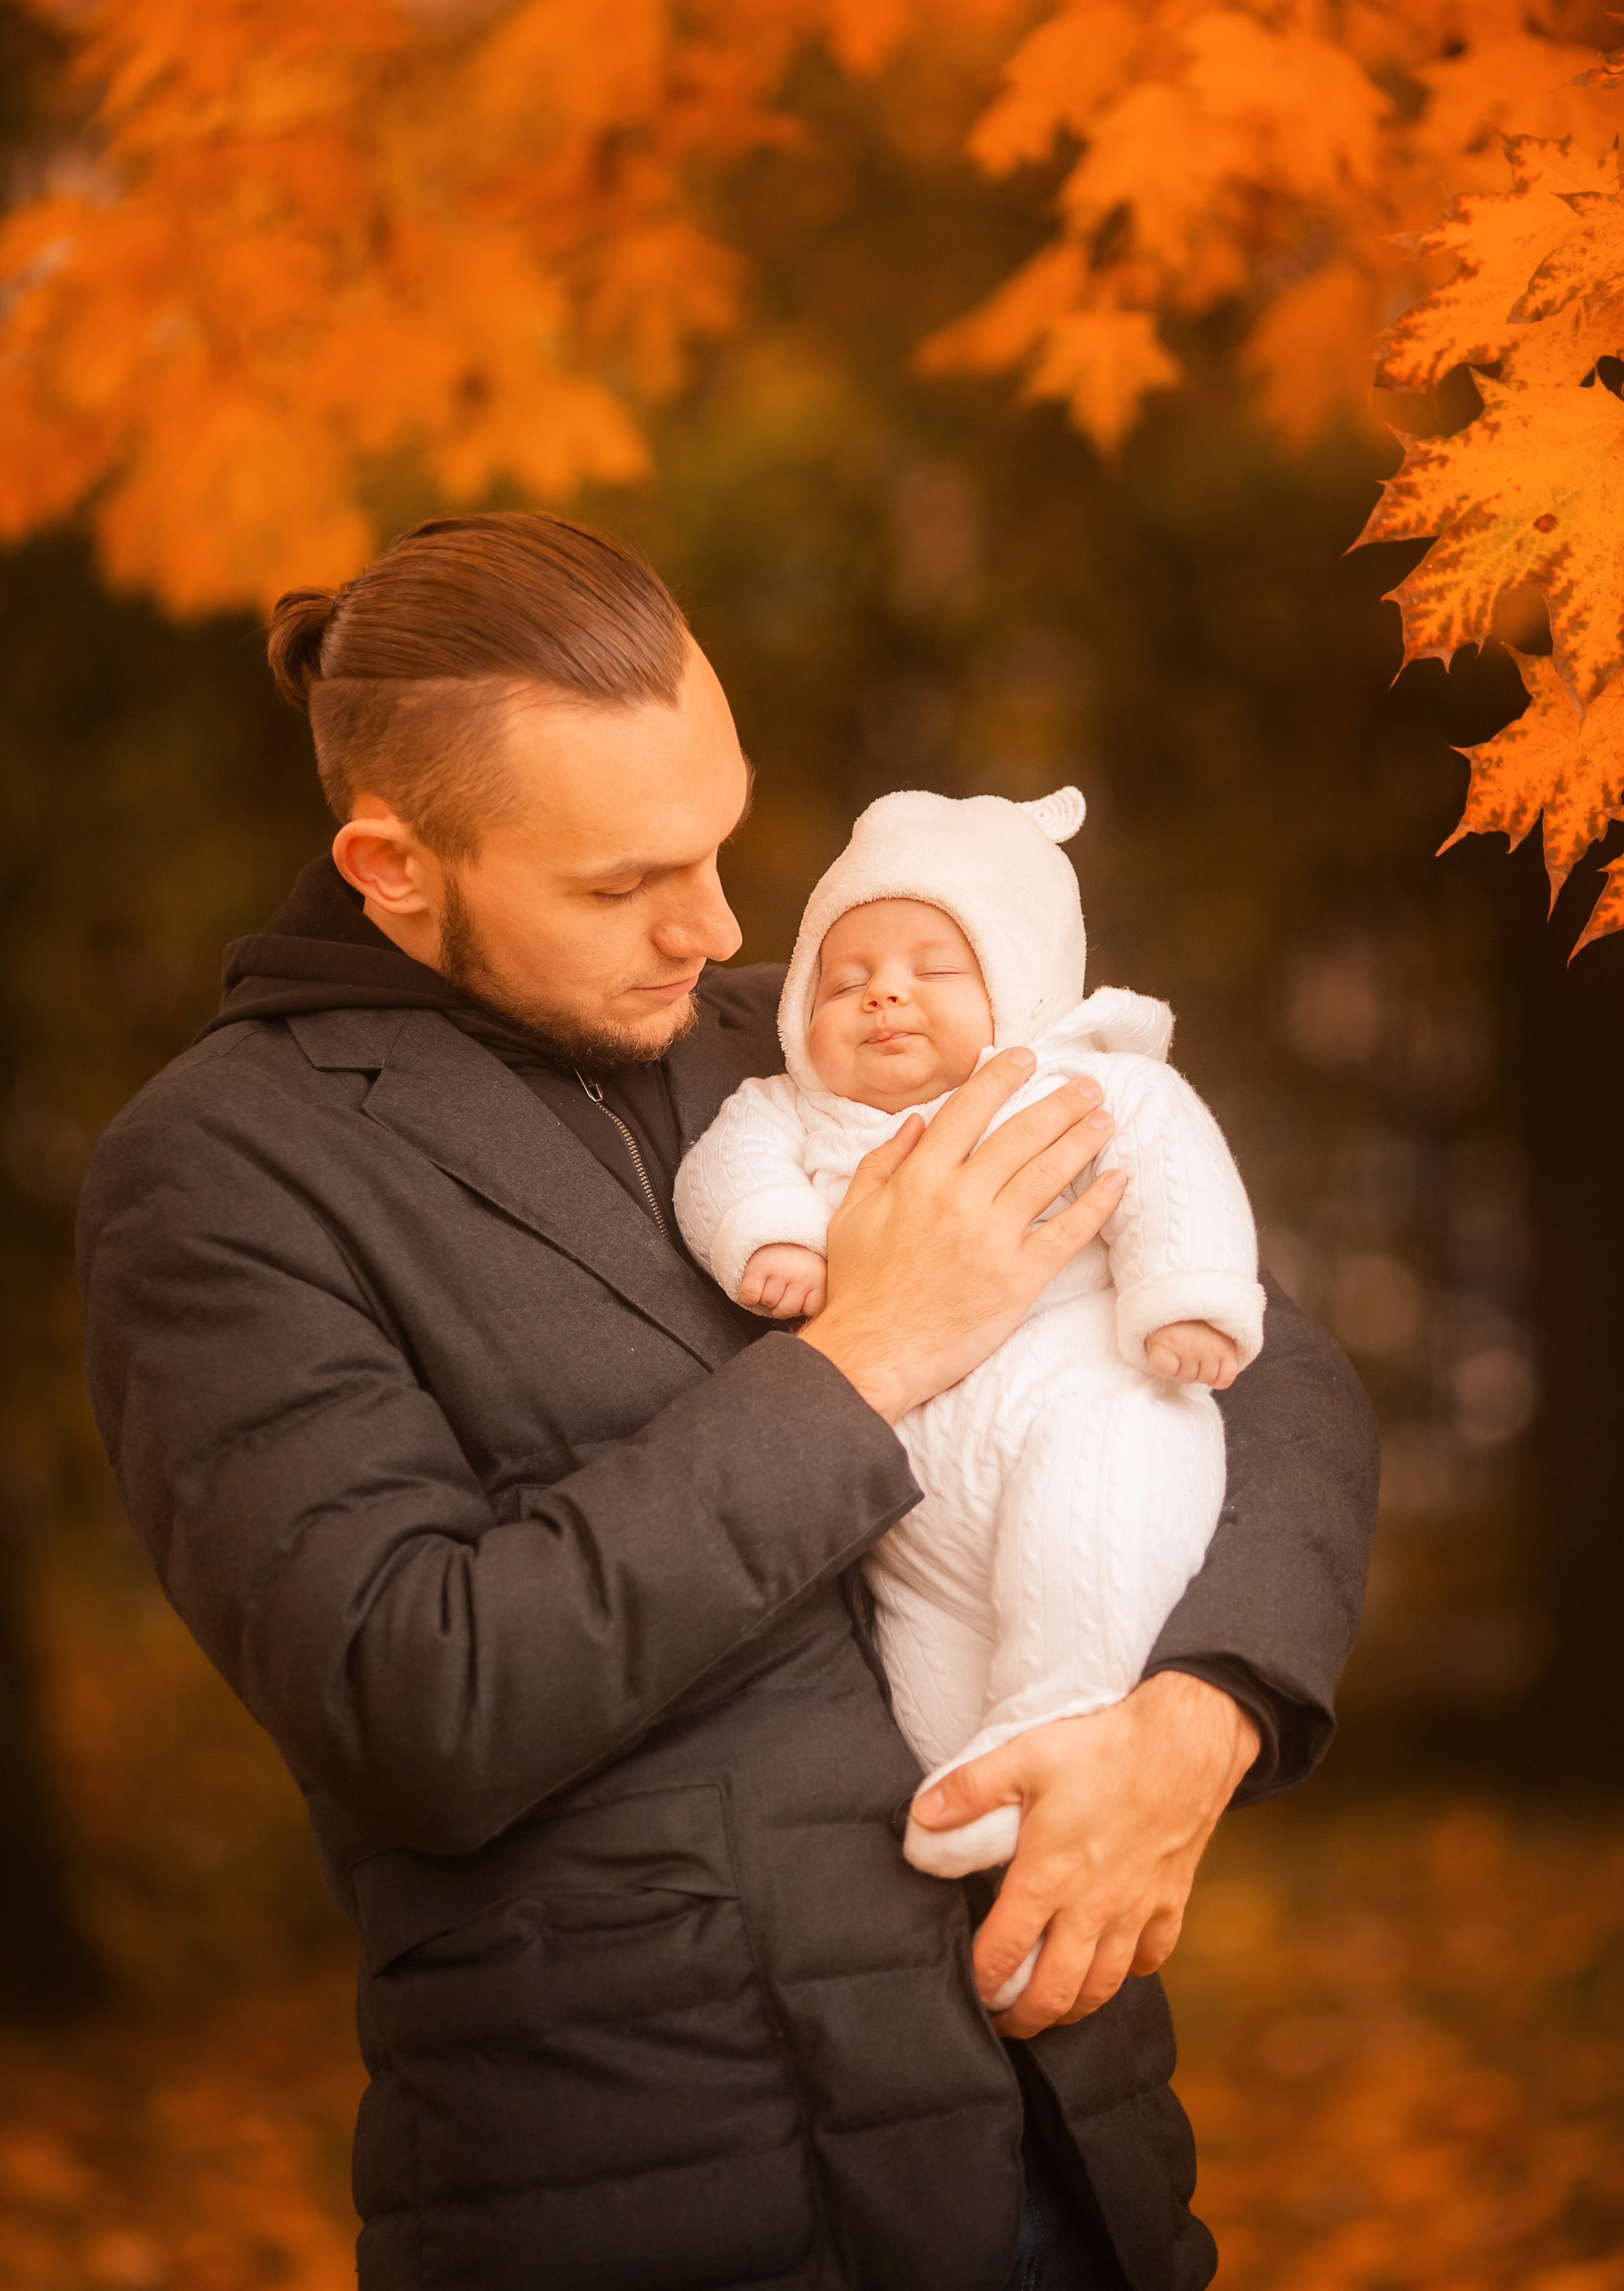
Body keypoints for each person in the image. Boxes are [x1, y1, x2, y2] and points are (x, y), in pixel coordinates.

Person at [76, 510, 1378, 2291]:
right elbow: (412, 1693)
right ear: (392, 864)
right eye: (622, 883)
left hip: (1069, 2148)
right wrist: (863, 1364)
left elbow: (1266, 1367)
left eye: (720, 837)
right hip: (669, 2191)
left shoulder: (814, 1037)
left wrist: (1206, 1713)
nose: (719, 923)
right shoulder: (226, 1173)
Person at [673, 784, 1264, 2012]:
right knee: (932, 1664)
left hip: (1085, 1402)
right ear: (800, 1015)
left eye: (935, 966)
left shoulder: (1078, 1086)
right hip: (909, 1502)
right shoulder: (784, 1111)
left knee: (1079, 1541)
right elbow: (721, 1175)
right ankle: (985, 1841)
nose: (884, 994)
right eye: (845, 979)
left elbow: (1173, 1158)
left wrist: (1186, 1296)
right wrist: (769, 1236)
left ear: (1023, 987)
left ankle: (1056, 1721)